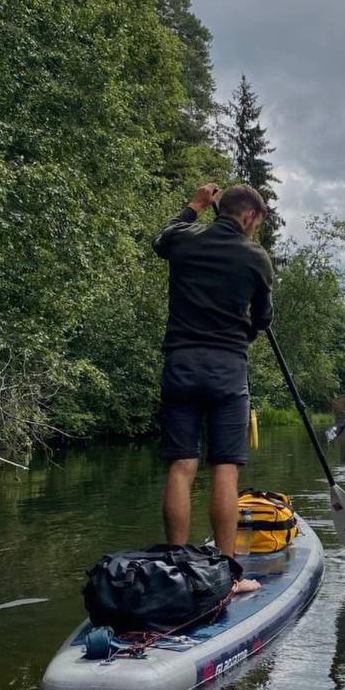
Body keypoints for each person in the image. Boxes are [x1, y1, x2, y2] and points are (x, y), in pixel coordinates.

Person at [153, 182, 273, 592]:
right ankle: (228, 575)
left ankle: (175, 568)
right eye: (257, 223)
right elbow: (262, 320)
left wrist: (193, 206)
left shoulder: (185, 241)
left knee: (182, 465)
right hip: (227, 369)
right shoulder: (256, 257)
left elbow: (161, 239)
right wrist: (246, 331)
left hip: (180, 364)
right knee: (224, 469)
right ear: (248, 216)